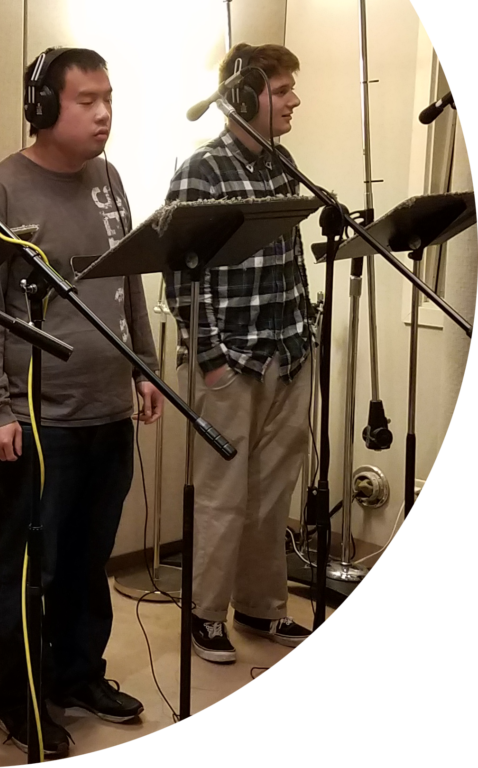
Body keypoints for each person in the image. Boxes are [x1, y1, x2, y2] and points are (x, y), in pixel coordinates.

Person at [0, 47, 164, 759]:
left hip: (109, 407)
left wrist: (144, 365)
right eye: (86, 100)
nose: (104, 113)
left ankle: (78, 675)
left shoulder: (109, 179)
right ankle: (15, 697)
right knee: (27, 571)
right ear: (44, 107)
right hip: (37, 423)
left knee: (88, 558)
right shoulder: (0, 193)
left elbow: (129, 276)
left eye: (109, 96)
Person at [165, 41, 314, 665]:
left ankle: (261, 606)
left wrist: (304, 337)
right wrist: (209, 360)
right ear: (245, 96)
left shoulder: (283, 165)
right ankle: (204, 614)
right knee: (224, 496)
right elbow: (176, 274)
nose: (294, 101)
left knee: (272, 492)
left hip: (288, 353)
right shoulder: (201, 171)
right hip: (230, 361)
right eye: (282, 91)